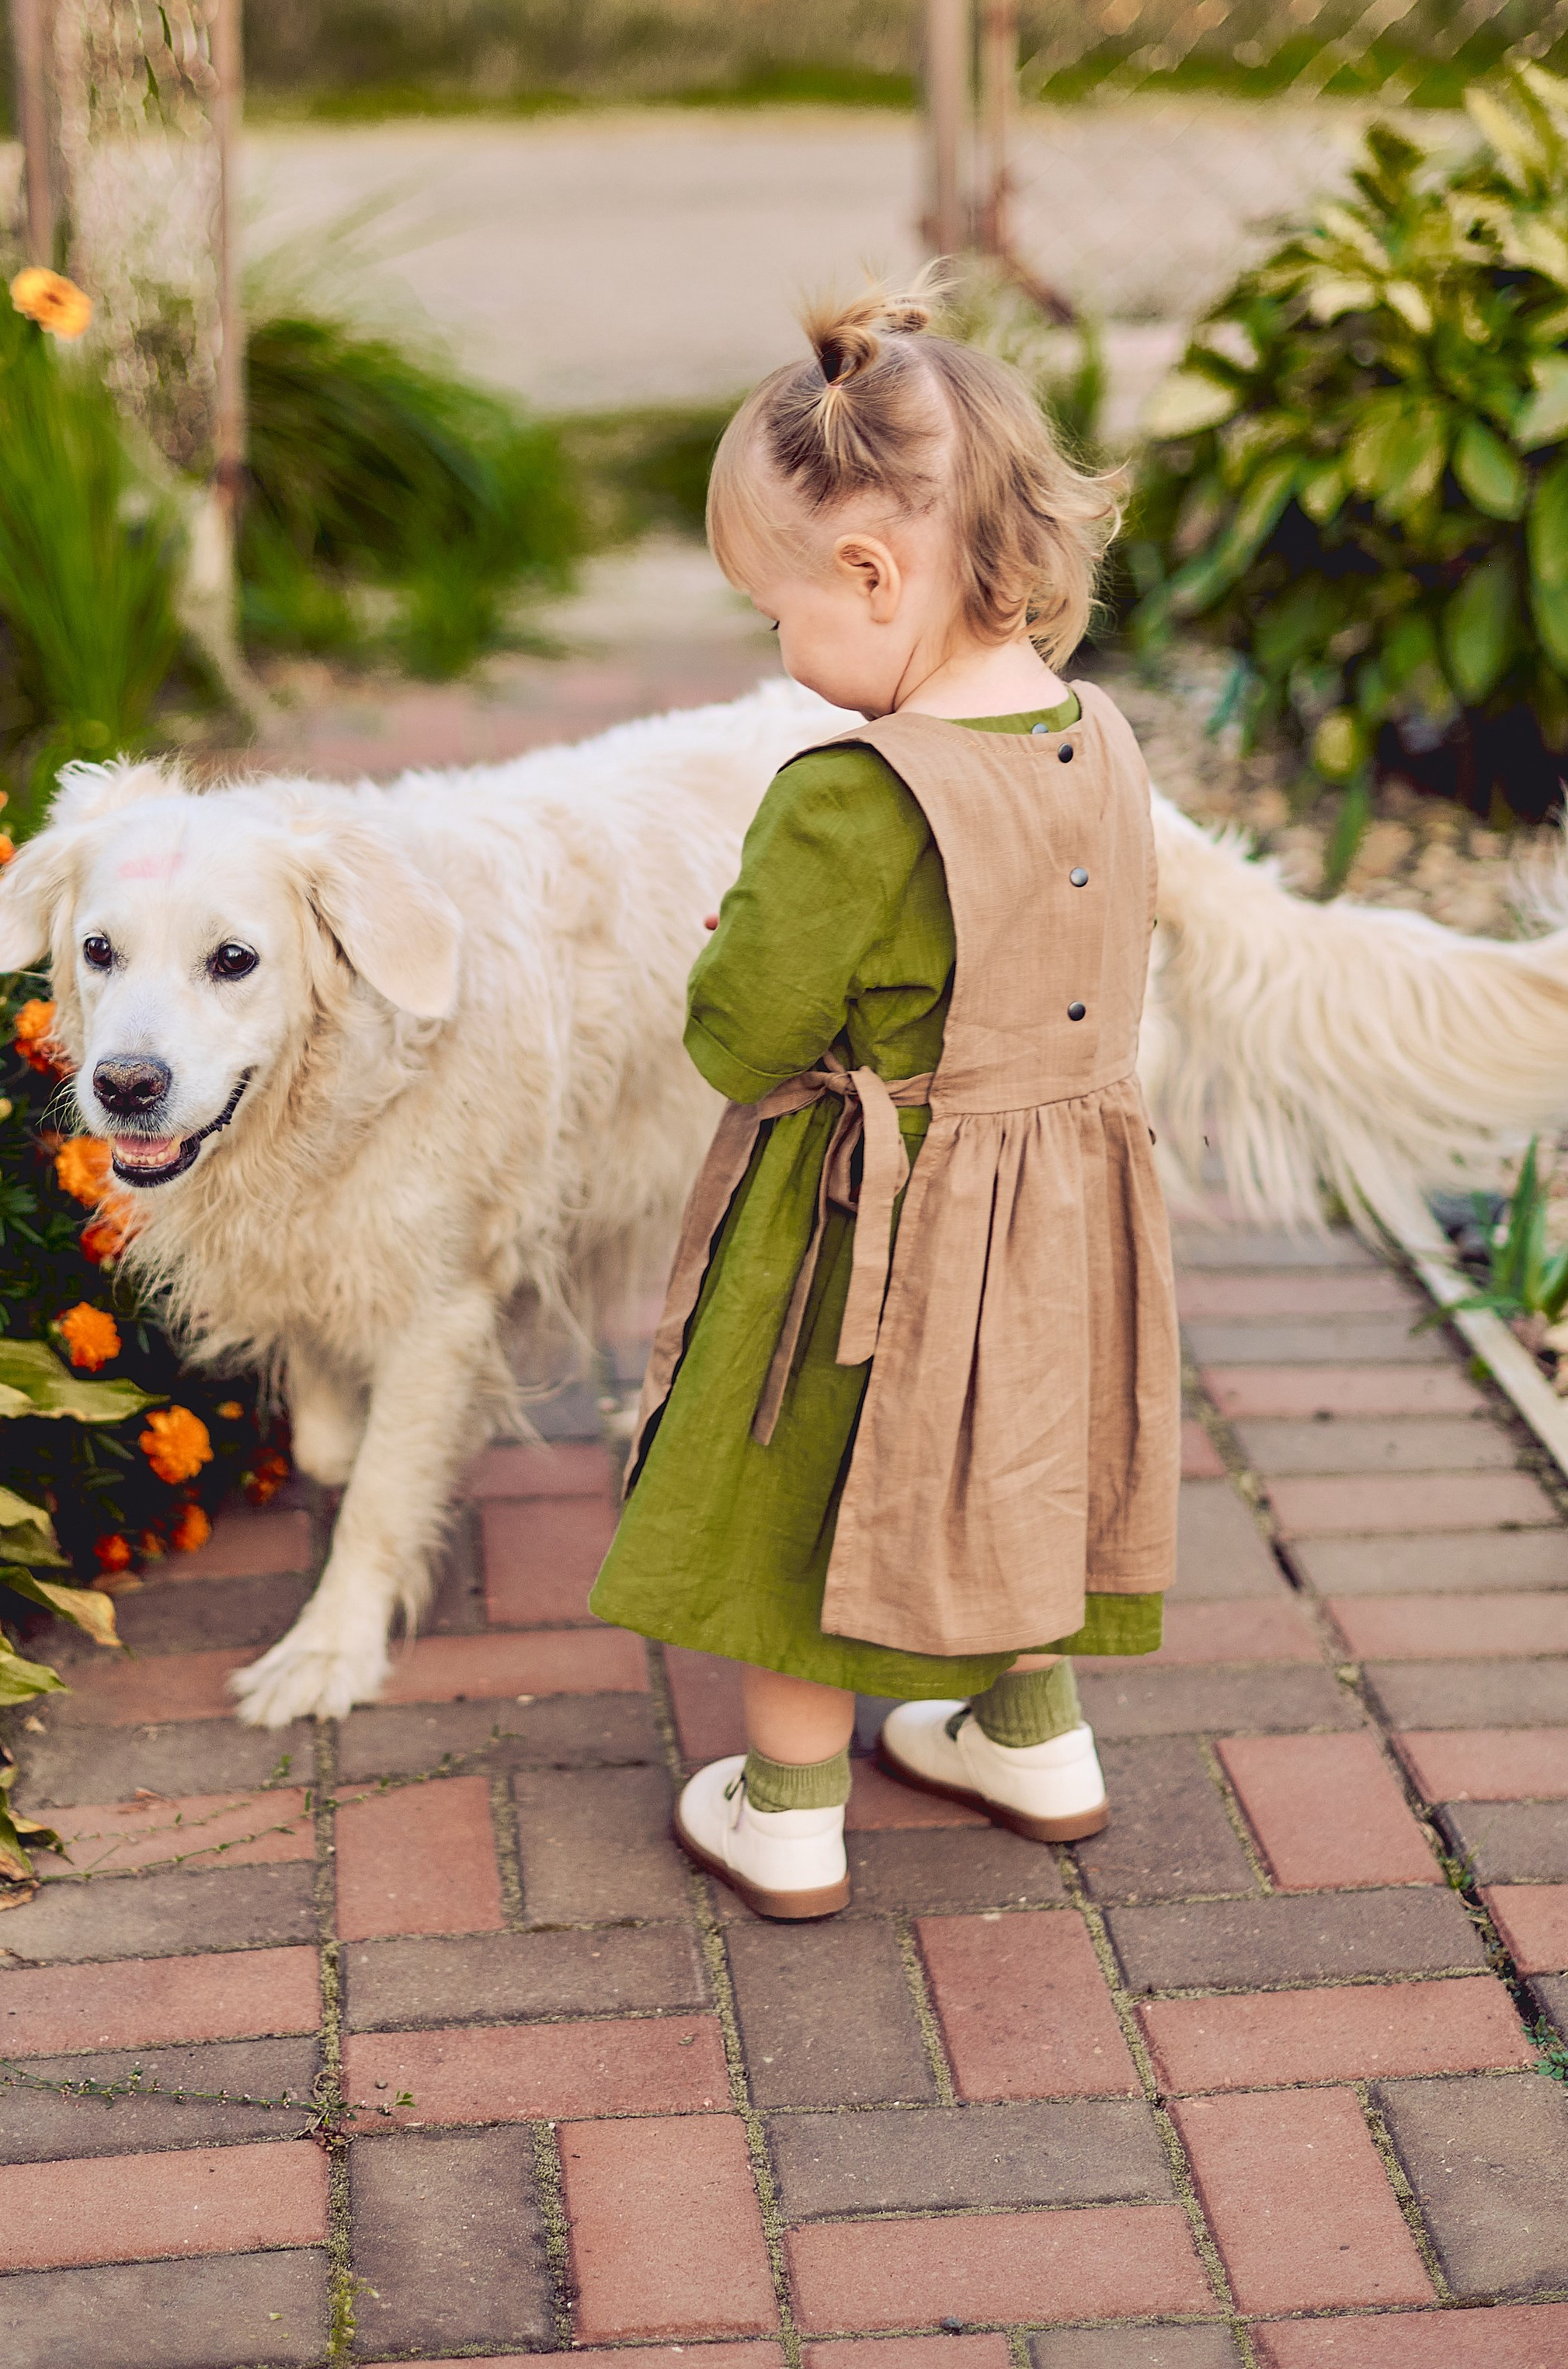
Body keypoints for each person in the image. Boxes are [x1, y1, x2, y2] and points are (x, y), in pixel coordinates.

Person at [588, 280, 1181, 1920]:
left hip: (873, 1218)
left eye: (773, 609)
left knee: (805, 1478)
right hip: (1060, 1200)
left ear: (868, 574)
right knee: (1026, 1444)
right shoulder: (1101, 742)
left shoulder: (849, 796)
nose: (778, 650)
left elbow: (746, 1031)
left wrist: (733, 965)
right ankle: (1029, 1729)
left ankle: (786, 1806)